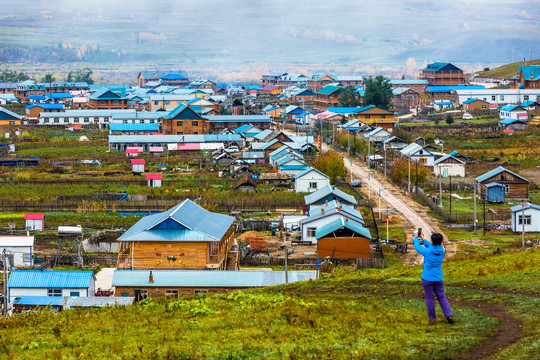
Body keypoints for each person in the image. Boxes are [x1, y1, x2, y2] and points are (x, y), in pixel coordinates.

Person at [413, 231, 454, 324]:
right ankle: (449, 315)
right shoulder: (442, 250)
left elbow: (418, 247)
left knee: (430, 299)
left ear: (432, 241)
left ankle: (432, 319)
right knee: (442, 297)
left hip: (427, 279)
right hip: (439, 278)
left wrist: (416, 238)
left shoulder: (427, 252)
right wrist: (423, 238)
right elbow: (431, 246)